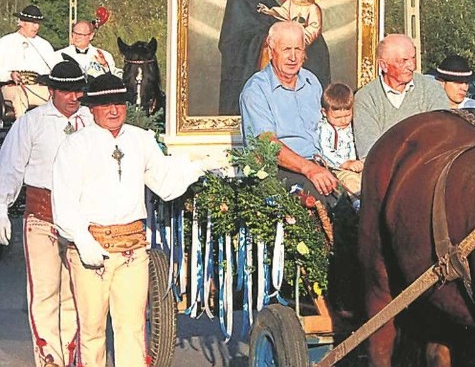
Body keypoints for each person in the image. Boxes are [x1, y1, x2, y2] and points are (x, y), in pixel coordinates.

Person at [51, 73, 215, 367]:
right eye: (105, 105)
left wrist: (198, 167)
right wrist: (83, 240)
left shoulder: (140, 139)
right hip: (91, 249)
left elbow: (165, 184)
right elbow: (62, 203)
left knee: (132, 329)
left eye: (119, 103)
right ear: (92, 108)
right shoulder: (75, 146)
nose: (114, 111)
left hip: (132, 249)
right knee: (92, 331)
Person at [0, 56, 92, 367]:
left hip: (80, 217)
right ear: (52, 91)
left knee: (73, 294)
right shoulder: (32, 122)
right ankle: (48, 359)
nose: (74, 98)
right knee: (44, 292)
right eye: (67, 92)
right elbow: (10, 167)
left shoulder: (90, 121)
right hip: (42, 215)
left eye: (78, 91)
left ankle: (69, 357)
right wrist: (2, 205)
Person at [240, 21, 339, 205]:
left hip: (320, 164)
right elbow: (267, 145)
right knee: (322, 205)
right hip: (280, 171)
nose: (293, 57)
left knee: (360, 202)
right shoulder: (256, 90)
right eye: (286, 49)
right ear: (271, 50)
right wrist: (309, 169)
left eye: (298, 50)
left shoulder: (312, 82)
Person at [353, 34, 450, 158]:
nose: (412, 66)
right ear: (384, 66)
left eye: (413, 58)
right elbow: (370, 153)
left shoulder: (432, 89)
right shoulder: (366, 98)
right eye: (403, 61)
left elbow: (443, 137)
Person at [257, 0, 331, 87]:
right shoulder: (290, 2)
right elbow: (283, 13)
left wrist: (301, 39)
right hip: (289, 42)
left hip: (307, 45)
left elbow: (314, 28)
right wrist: (270, 11)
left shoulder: (312, 8)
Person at [0, 4, 56, 118]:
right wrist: (10, 75)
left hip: (39, 87)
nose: (36, 27)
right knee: (20, 96)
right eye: (32, 23)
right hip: (11, 88)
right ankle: (22, 131)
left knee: (58, 97)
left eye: (37, 23)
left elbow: (54, 69)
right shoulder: (5, 42)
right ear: (21, 22)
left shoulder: (44, 45)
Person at [317, 83, 363, 197]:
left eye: (347, 115)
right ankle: (358, 204)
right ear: (324, 112)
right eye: (337, 117)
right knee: (351, 182)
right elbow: (325, 152)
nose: (343, 121)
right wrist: (345, 163)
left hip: (356, 165)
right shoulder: (325, 129)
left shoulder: (352, 125)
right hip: (337, 168)